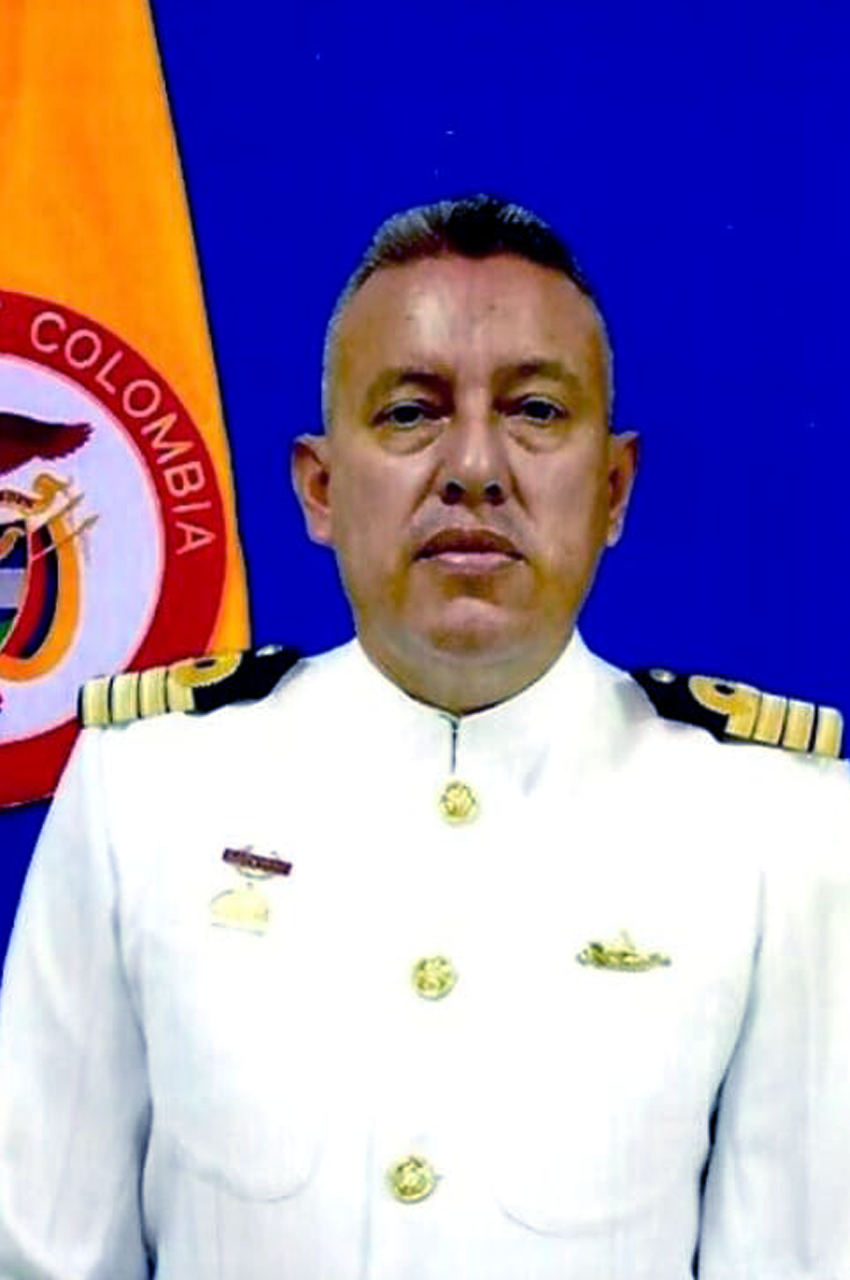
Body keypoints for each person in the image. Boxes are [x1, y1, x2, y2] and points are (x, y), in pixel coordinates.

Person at [0, 194, 848, 1280]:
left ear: (613, 488)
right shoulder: (146, 789)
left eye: (536, 410)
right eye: (410, 413)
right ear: (318, 488)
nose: (475, 467)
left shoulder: (779, 827)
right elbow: (42, 1258)